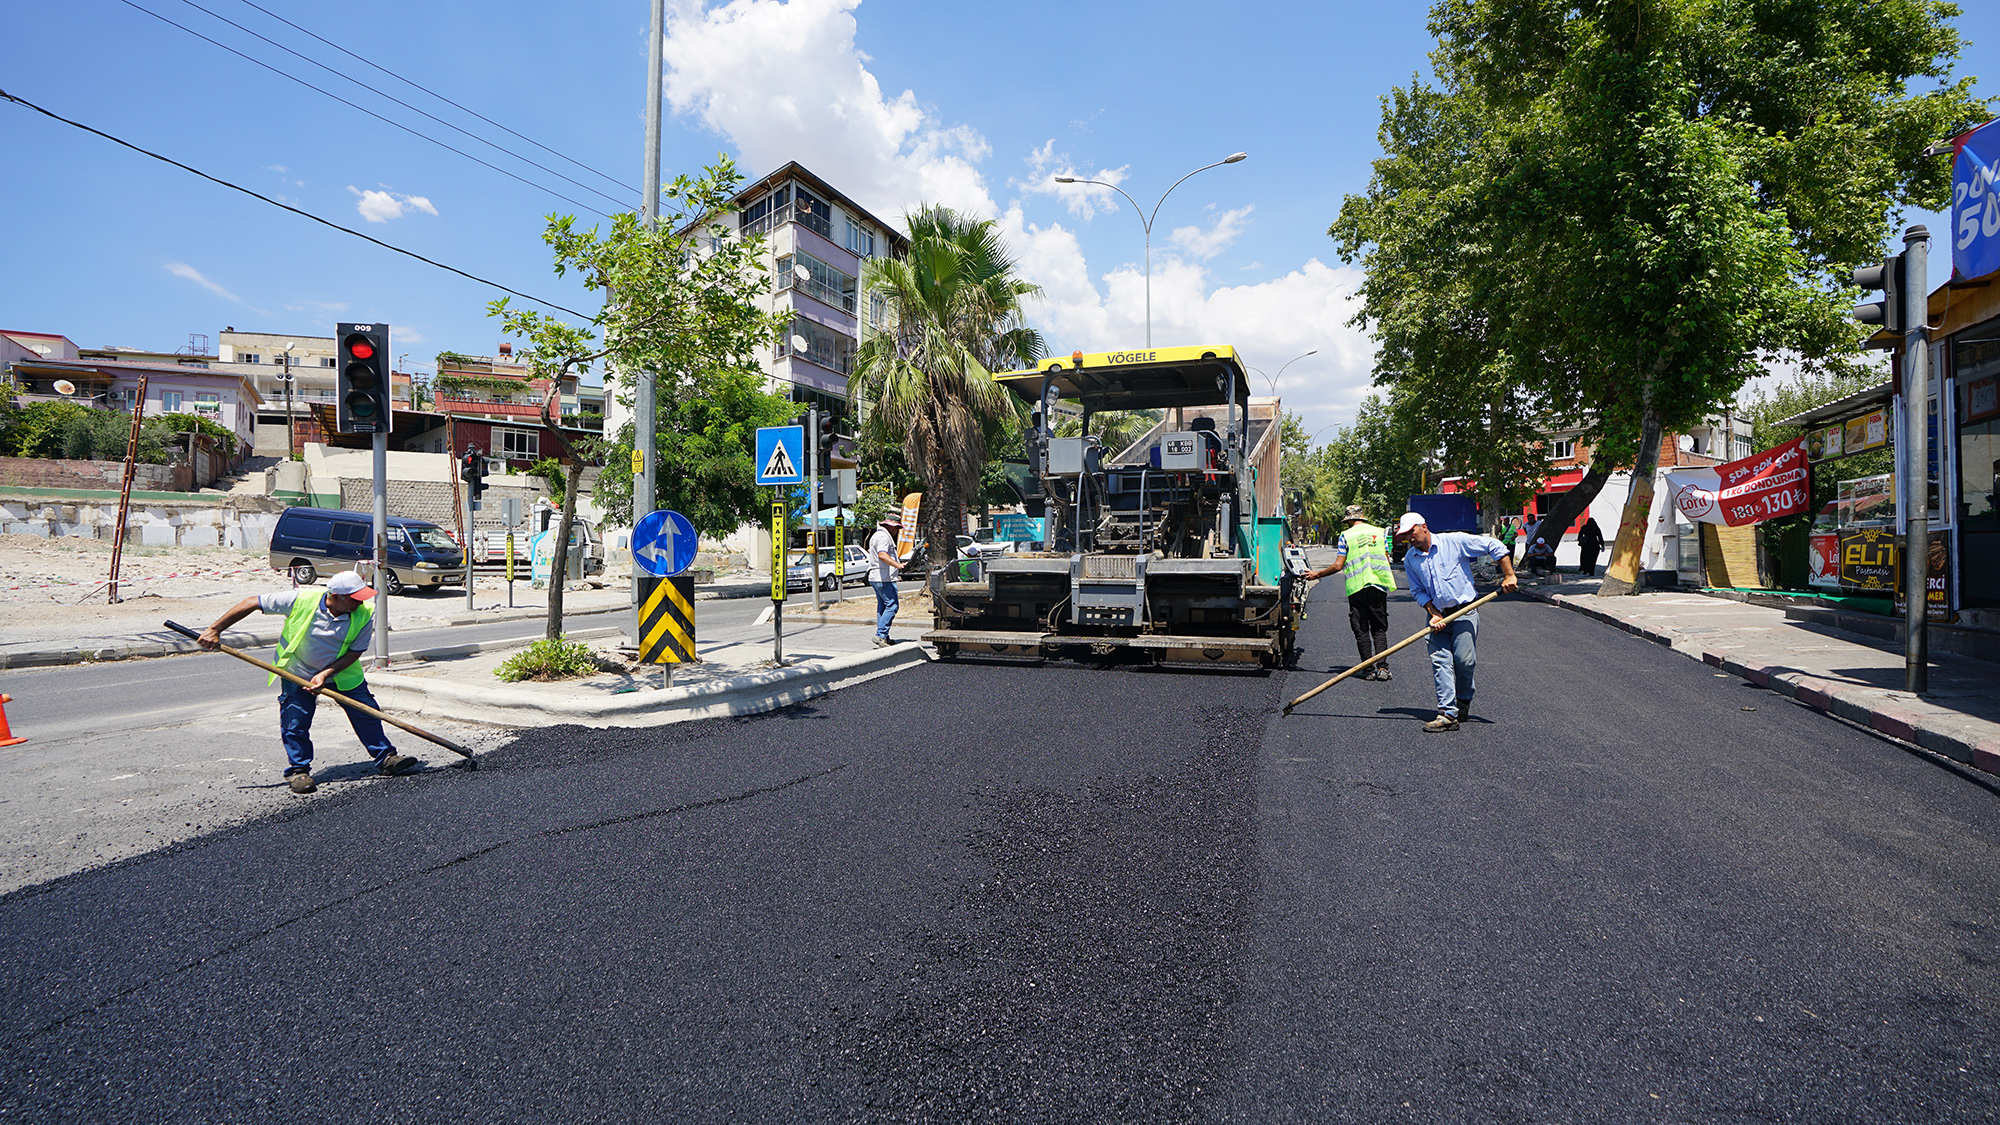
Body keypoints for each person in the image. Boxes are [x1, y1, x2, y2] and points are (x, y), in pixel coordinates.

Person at [198, 570, 416, 794]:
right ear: (335, 595)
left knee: (368, 714)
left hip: (342, 673)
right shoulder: (300, 599)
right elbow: (251, 602)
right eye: (355, 597)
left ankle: (386, 758)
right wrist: (215, 630)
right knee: (295, 723)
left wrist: (325, 674)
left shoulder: (365, 612)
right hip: (298, 673)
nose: (361, 601)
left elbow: (354, 652)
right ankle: (298, 771)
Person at [1395, 512, 1519, 732]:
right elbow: (1418, 591)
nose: (1408, 538)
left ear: (1424, 526)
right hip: (1437, 617)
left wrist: (1509, 575)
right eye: (1404, 535)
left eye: (1411, 532)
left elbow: (1495, 546)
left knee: (1464, 661)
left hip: (1465, 611)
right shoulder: (1411, 560)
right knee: (1440, 661)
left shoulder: (1454, 542)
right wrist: (1433, 613)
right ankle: (1447, 713)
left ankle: (1463, 699)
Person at [1304, 504, 1397, 680]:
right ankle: (1383, 668)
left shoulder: (1346, 536)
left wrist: (1317, 574)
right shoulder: (1379, 532)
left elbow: (1338, 565)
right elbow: (1385, 559)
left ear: (1349, 520)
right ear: (1362, 517)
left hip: (1358, 587)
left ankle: (1368, 669)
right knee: (1379, 628)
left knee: (1361, 628)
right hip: (1379, 585)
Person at [868, 514, 905, 647]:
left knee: (882, 607)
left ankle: (884, 635)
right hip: (884, 578)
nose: (898, 532)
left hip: (876, 576)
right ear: (891, 526)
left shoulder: (876, 535)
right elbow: (882, 555)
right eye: (897, 528)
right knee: (892, 605)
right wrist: (897, 565)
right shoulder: (884, 537)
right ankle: (881, 635)